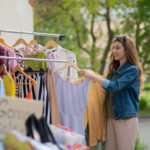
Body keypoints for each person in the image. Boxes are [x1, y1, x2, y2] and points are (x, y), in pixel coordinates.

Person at [79, 36, 143, 150]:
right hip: (110, 118)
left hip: (125, 119)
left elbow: (115, 86)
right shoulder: (114, 71)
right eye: (113, 48)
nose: (114, 51)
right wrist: (90, 79)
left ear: (127, 50)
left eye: (117, 48)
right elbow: (104, 88)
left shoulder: (132, 70)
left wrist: (94, 76)